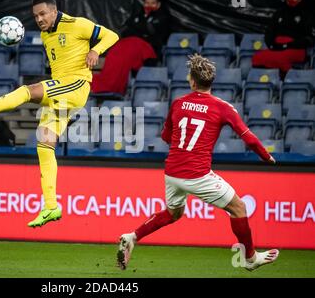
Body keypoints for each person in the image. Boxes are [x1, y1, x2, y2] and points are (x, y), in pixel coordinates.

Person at [0, 0, 119, 228]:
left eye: (42, 14)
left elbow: (112, 35)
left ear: (54, 10)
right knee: (44, 145)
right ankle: (51, 206)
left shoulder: (76, 24)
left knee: (27, 91)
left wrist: (95, 51)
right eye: (35, 16)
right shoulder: (45, 35)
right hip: (62, 93)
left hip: (76, 85)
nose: (39, 19)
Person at [117, 54, 279, 272]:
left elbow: (166, 137)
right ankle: (250, 258)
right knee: (239, 208)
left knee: (173, 212)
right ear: (211, 81)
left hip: (172, 172)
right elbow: (247, 136)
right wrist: (266, 156)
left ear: (192, 81)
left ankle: (132, 237)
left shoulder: (178, 103)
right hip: (197, 174)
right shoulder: (223, 108)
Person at [91, 0, 170, 95]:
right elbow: (127, 30)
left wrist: (141, 28)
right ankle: (107, 82)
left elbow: (153, 33)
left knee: (126, 56)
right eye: (147, 3)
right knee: (115, 51)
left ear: (158, 4)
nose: (149, 6)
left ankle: (114, 85)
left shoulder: (163, 17)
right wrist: (143, 28)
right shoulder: (138, 15)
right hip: (129, 43)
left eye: (152, 3)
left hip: (147, 48)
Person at [252, 0, 314, 75]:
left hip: (296, 48)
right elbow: (269, 31)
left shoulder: (306, 14)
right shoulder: (279, 13)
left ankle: (285, 81)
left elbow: (309, 38)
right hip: (277, 47)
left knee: (281, 58)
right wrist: (272, 45)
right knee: (257, 57)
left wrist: (288, 45)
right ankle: (263, 83)